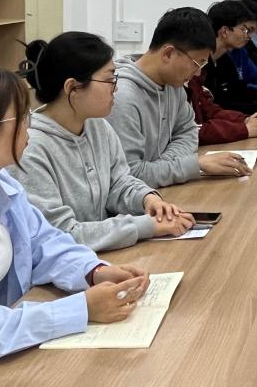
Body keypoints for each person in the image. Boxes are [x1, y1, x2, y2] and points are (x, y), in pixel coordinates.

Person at [0, 60, 148, 387]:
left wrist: (93, 271)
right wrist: (79, 309)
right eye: (21, 119)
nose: (29, 129)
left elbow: (43, 244)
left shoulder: (1, 186)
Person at [10, 33, 195, 251]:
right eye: (109, 80)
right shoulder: (30, 149)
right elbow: (60, 234)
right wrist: (144, 226)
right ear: (72, 88)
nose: (115, 88)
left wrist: (147, 199)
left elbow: (118, 183)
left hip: (100, 257)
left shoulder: (98, 127)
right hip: (67, 266)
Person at [106, 7, 252, 187]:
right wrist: (192, 165)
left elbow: (188, 133)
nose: (197, 73)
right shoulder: (121, 96)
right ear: (168, 53)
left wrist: (163, 167)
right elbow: (130, 175)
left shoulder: (173, 85)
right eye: (197, 63)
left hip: (161, 190)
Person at [200, 0, 257, 119]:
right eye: (245, 30)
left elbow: (240, 90)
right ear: (224, 31)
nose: (249, 36)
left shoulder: (226, 58)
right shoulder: (201, 64)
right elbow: (220, 104)